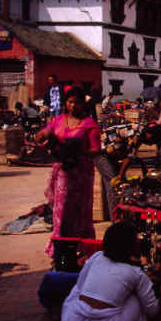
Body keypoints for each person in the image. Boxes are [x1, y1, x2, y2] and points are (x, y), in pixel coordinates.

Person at [52, 222, 159, 321]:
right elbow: (153, 311)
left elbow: (79, 288)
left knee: (79, 292)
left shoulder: (97, 257)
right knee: (136, 298)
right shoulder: (136, 274)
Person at [35, 87, 100, 257]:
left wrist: (80, 150)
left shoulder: (89, 125)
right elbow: (43, 134)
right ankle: (61, 250)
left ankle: (82, 250)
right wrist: (43, 135)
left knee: (81, 212)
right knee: (62, 211)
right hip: (64, 173)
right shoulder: (58, 120)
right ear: (66, 103)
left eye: (77, 102)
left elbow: (96, 150)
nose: (73, 105)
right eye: (70, 102)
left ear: (82, 104)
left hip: (81, 175)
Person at [96, 123, 161, 219]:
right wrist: (120, 176)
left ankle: (115, 217)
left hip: (111, 155)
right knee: (116, 186)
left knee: (115, 186)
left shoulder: (141, 132)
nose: (150, 144)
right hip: (102, 155)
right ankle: (116, 220)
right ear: (150, 135)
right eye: (152, 141)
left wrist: (144, 171)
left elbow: (134, 156)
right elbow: (128, 158)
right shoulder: (136, 135)